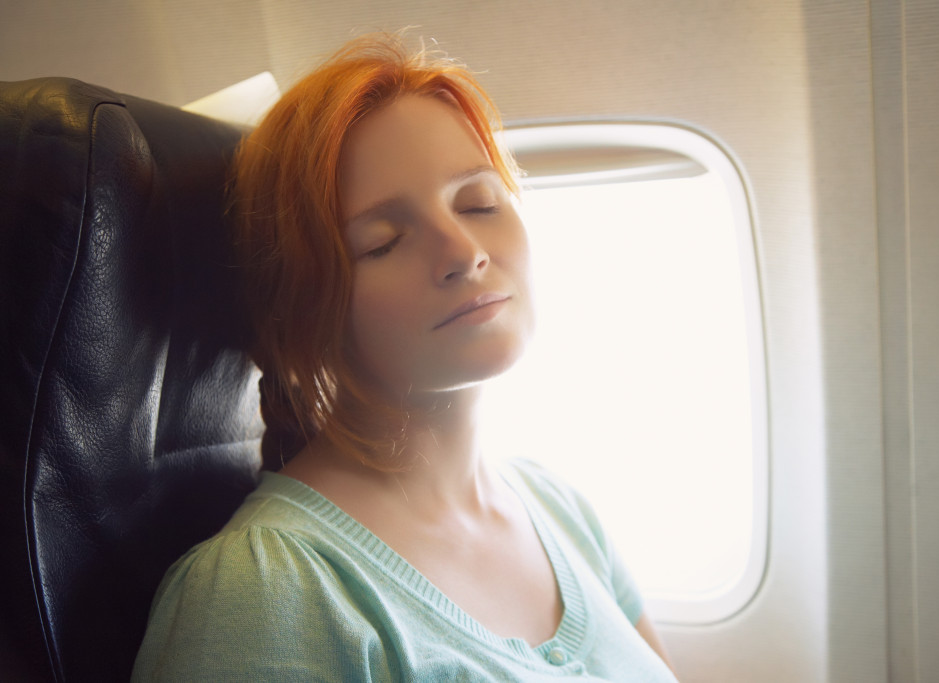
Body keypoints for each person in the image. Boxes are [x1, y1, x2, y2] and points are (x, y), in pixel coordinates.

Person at [132, 34, 677, 682]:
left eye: (479, 202)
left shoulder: (558, 508)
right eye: (384, 242)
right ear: (308, 306)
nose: (463, 250)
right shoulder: (267, 589)